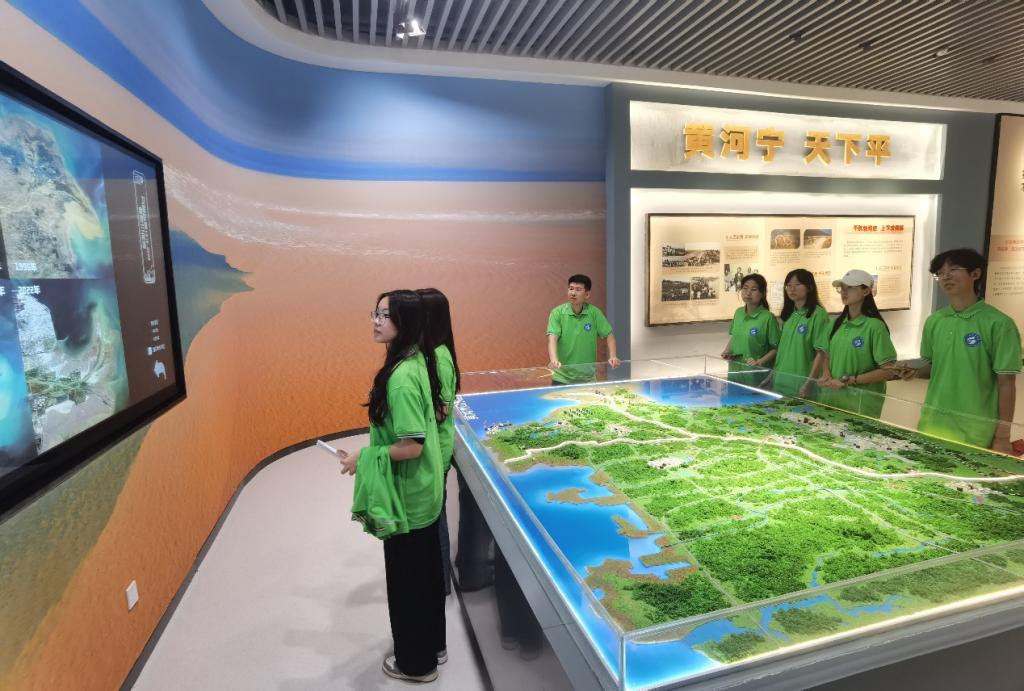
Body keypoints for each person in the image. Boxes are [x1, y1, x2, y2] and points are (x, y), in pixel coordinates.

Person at [339, 290, 446, 683]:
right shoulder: (418, 360)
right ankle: (434, 647)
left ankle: (417, 665)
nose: (375, 321)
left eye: (385, 315)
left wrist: (364, 458)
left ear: (406, 322)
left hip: (408, 499)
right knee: (427, 577)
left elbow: (411, 445)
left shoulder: (400, 378)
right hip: (425, 492)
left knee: (407, 586)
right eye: (375, 313)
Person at [901, 248, 1021, 453]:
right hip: (933, 423)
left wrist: (1002, 436)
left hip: (975, 430)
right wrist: (915, 372)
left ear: (975, 274)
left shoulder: (999, 324)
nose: (945, 276)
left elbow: (1006, 383)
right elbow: (935, 366)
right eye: (940, 273)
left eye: (954, 269)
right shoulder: (934, 321)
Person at [417, 288, 460, 595]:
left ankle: (441, 583)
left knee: (437, 517)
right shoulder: (429, 352)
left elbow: (441, 410)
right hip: (432, 446)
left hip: (437, 449)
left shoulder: (440, 357)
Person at [818, 270, 897, 419]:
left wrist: (850, 380)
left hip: (860, 405)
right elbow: (826, 356)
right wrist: (826, 374)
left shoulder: (875, 327)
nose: (844, 292)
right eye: (842, 288)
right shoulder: (836, 324)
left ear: (866, 291)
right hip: (831, 400)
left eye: (850, 287)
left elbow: (889, 370)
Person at [547, 274, 620, 385]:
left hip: (588, 378)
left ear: (587, 294)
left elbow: (609, 335)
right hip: (562, 377)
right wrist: (554, 360)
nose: (573, 293)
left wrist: (613, 356)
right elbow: (552, 339)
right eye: (571, 288)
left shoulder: (594, 313)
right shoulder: (557, 313)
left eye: (578, 289)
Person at [771, 269, 829, 397]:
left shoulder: (818, 315)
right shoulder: (789, 314)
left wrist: (809, 382)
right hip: (781, 380)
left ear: (809, 287)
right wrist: (772, 376)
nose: (792, 289)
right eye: (788, 285)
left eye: (797, 285)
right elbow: (782, 351)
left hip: (802, 384)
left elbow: (821, 353)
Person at [721, 273, 780, 387]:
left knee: (754, 398)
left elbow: (776, 348)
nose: (748, 293)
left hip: (756, 373)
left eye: (754, 289)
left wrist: (760, 361)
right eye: (745, 288)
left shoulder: (768, 317)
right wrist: (727, 351)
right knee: (735, 396)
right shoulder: (738, 312)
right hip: (735, 370)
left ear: (762, 293)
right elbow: (734, 337)